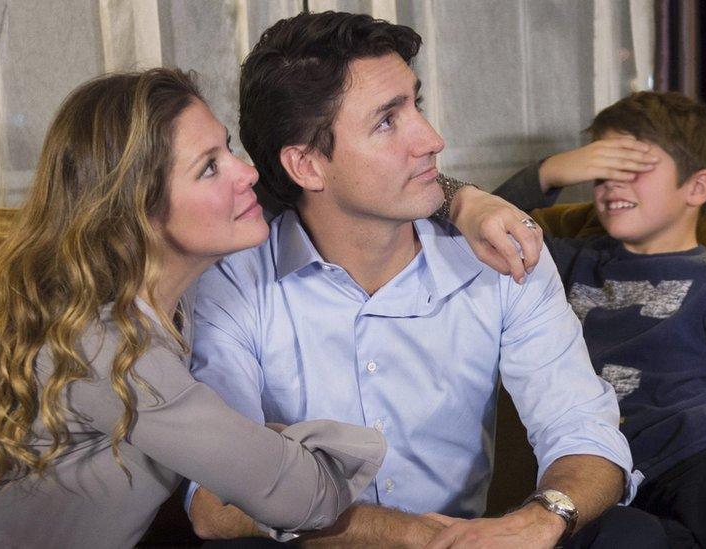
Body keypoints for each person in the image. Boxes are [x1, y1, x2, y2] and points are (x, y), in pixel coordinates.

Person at [0, 68, 391, 548]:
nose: (245, 173)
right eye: (209, 167)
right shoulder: (104, 345)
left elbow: (338, 185)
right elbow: (300, 498)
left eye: (229, 149)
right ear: (137, 212)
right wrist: (295, 439)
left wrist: (461, 202)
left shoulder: (156, 297)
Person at [186, 11, 668, 548]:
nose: (433, 139)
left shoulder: (502, 253)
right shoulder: (230, 283)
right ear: (306, 166)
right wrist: (408, 535)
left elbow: (583, 428)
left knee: (631, 535)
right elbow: (216, 501)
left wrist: (543, 517)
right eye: (387, 121)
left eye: (417, 104)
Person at [492, 90, 706, 548]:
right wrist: (549, 172)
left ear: (696, 187)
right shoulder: (567, 261)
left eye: (632, 169)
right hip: (603, 473)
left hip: (703, 451)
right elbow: (469, 236)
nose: (611, 185)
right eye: (601, 171)